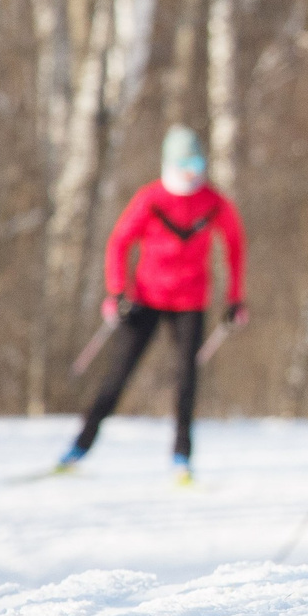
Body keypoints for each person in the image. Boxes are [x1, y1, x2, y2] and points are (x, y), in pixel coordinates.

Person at [60, 125, 247, 482]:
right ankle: (79, 448)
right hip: (146, 298)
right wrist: (117, 291)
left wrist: (236, 297)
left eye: (198, 162)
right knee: (117, 375)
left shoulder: (213, 202)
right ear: (171, 165)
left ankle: (182, 458)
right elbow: (119, 242)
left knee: (187, 379)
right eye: (186, 163)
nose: (193, 171)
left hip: (190, 302)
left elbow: (235, 245)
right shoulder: (151, 198)